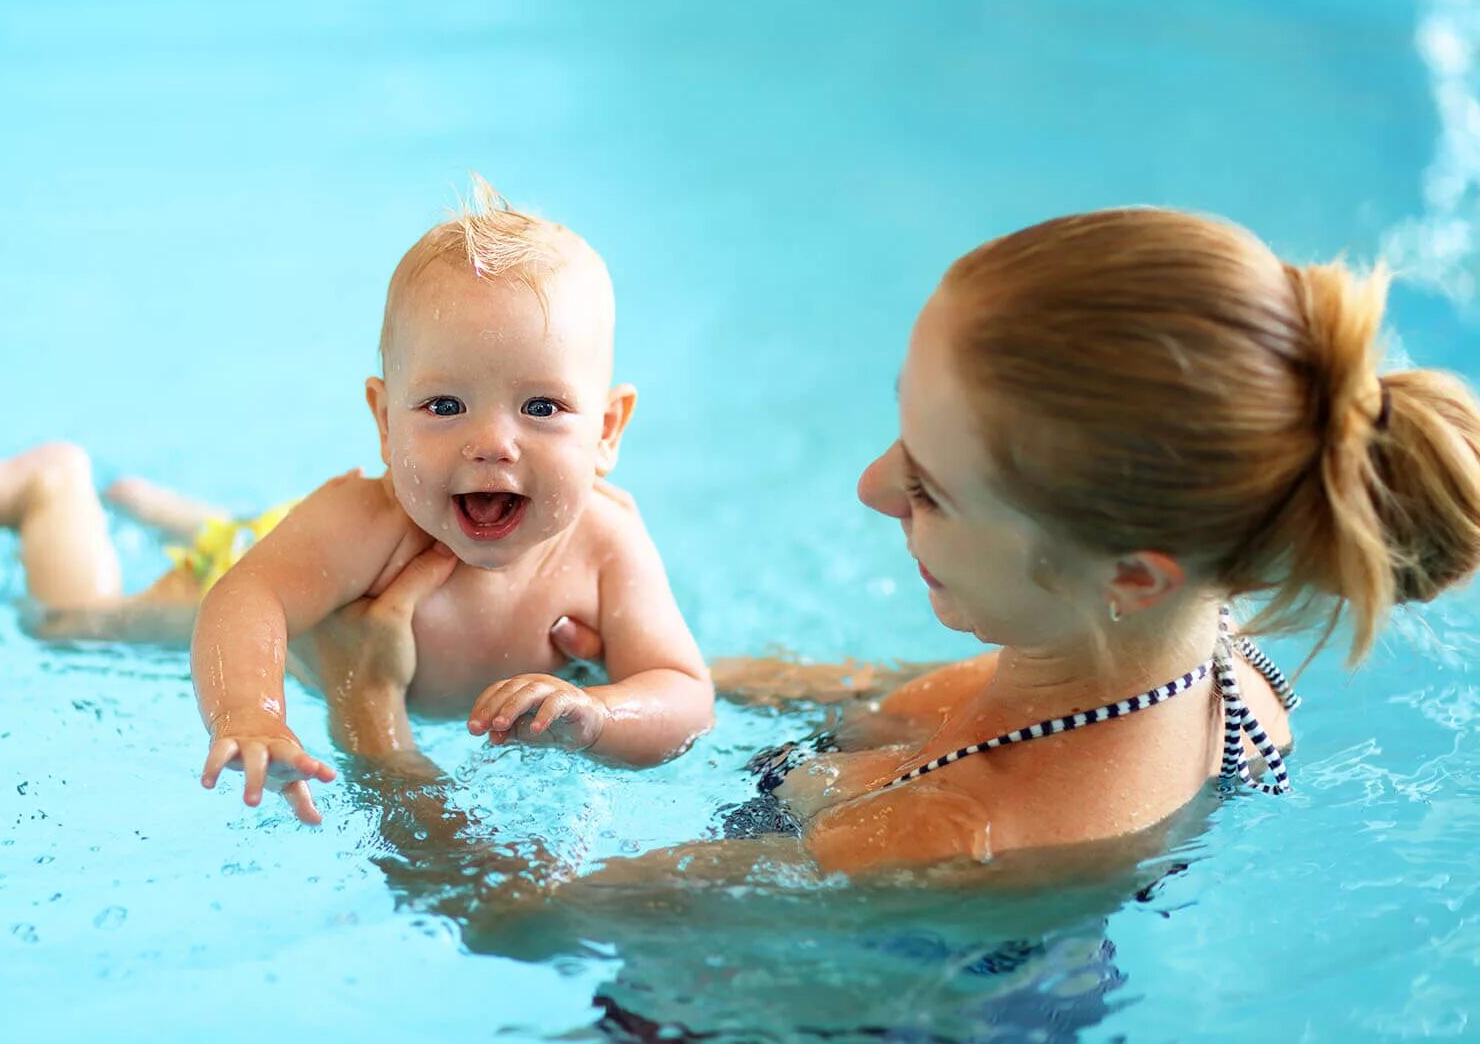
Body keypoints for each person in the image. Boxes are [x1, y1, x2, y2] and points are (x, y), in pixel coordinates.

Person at [325, 206, 1480, 876]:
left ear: (1133, 570)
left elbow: (517, 925)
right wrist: (624, 681)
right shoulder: (1206, 646)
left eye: (930, 486)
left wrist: (369, 718)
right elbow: (910, 698)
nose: (873, 485)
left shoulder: (949, 833)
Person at [0, 177, 713, 825]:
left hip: (307, 552)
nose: (492, 444)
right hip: (269, 558)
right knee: (78, 627)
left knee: (283, 543)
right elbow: (248, 596)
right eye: (443, 407)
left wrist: (600, 716)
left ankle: (172, 509)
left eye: (542, 408)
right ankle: (52, 490)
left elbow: (681, 690)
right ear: (382, 419)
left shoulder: (608, 544)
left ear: (608, 430)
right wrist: (248, 708)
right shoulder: (372, 524)